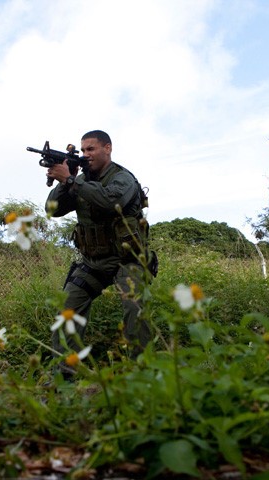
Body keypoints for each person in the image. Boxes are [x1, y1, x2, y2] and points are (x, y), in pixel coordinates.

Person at [46, 130, 155, 375]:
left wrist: (73, 181)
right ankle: (65, 375)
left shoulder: (123, 178)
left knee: (135, 309)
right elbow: (52, 210)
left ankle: (142, 373)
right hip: (93, 262)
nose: (86, 155)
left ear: (108, 148)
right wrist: (67, 180)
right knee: (67, 310)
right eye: (83, 151)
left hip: (127, 259)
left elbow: (109, 201)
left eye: (91, 149)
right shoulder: (81, 180)